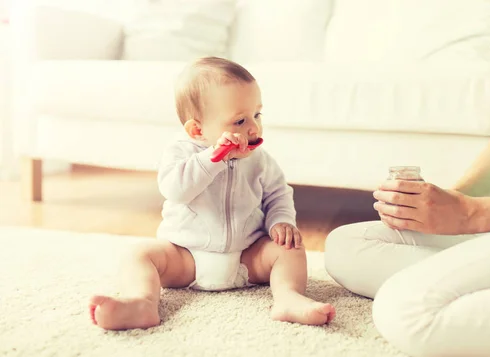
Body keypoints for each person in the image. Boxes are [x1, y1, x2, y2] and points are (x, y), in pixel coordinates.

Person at [324, 0, 490, 355]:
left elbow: (478, 211)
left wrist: (474, 214)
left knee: (407, 308)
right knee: (349, 246)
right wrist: (441, 207)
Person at [89, 57, 336, 330]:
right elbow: (176, 190)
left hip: (247, 257)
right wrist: (213, 158)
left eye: (257, 115)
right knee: (138, 255)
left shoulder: (260, 159)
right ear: (197, 130)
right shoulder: (180, 152)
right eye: (240, 121)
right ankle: (142, 302)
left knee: (290, 250)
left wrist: (281, 222)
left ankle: (288, 297)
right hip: (186, 257)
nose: (253, 128)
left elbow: (278, 194)